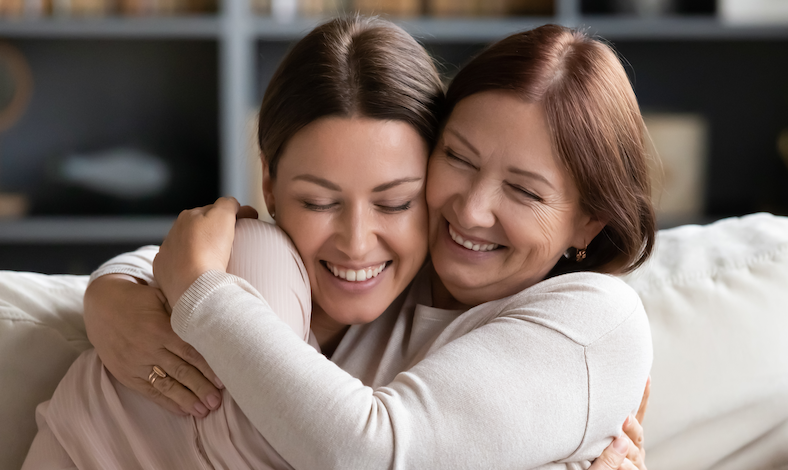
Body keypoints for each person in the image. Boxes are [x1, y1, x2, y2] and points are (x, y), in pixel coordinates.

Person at [32, 18, 654, 470]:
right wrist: (113, 290)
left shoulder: (593, 322)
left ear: (589, 223)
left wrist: (198, 291)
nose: (470, 209)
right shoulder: (392, 273)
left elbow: (373, 451)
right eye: (459, 160)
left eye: (524, 190)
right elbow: (218, 251)